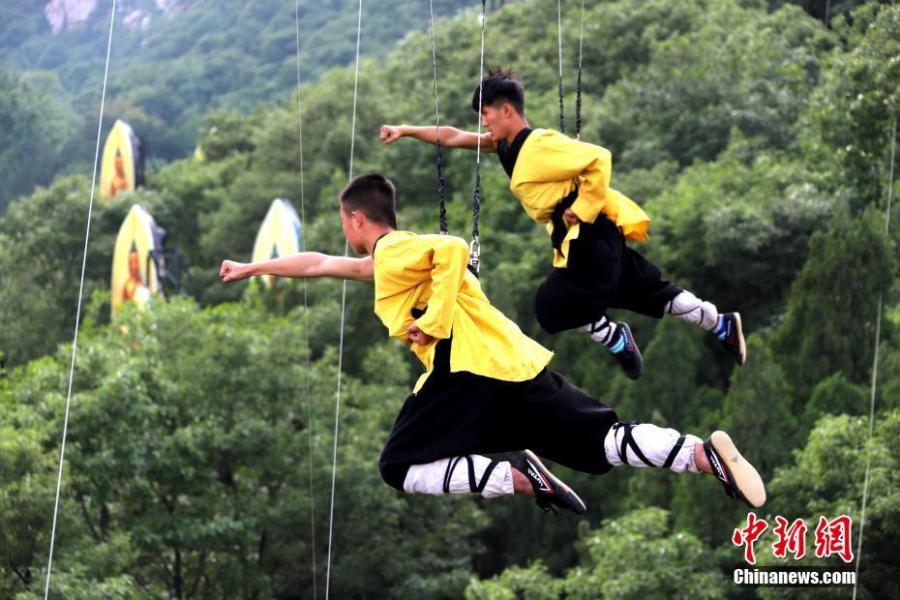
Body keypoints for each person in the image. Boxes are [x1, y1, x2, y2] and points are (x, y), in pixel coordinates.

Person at [219, 173, 765, 513]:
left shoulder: (394, 253)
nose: (344, 236)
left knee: (399, 467)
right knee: (602, 440)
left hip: (467, 371)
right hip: (514, 366)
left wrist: (431, 322)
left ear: (356, 218)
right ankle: (699, 454)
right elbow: (318, 264)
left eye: (344, 224)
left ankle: (517, 478)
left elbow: (454, 247)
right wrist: (253, 266)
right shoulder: (391, 263)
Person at [380, 69, 746, 380]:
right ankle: (721, 324)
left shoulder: (538, 144)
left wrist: (584, 207)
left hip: (588, 234)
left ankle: (615, 337)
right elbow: (455, 138)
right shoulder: (506, 145)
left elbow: (600, 157)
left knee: (551, 305)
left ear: (507, 110)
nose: (484, 122)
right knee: (651, 291)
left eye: (487, 114)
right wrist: (407, 130)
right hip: (592, 236)